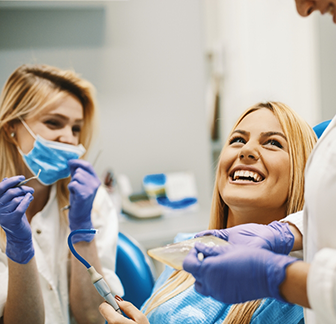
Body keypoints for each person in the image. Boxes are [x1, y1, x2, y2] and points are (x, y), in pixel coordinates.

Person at [182, 0, 336, 323]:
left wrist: (279, 277)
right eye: (237, 139)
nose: (303, 8)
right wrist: (288, 233)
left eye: (273, 143)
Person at [99, 101, 317, 323]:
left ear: (302, 172)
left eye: (272, 143)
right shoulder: (184, 249)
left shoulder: (296, 292)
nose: (247, 150)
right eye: (238, 140)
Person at [0, 64, 123, 324]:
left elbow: (93, 318)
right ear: (12, 127)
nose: (68, 138)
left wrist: (82, 230)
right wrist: (18, 246)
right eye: (53, 122)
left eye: (76, 128)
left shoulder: (93, 201)